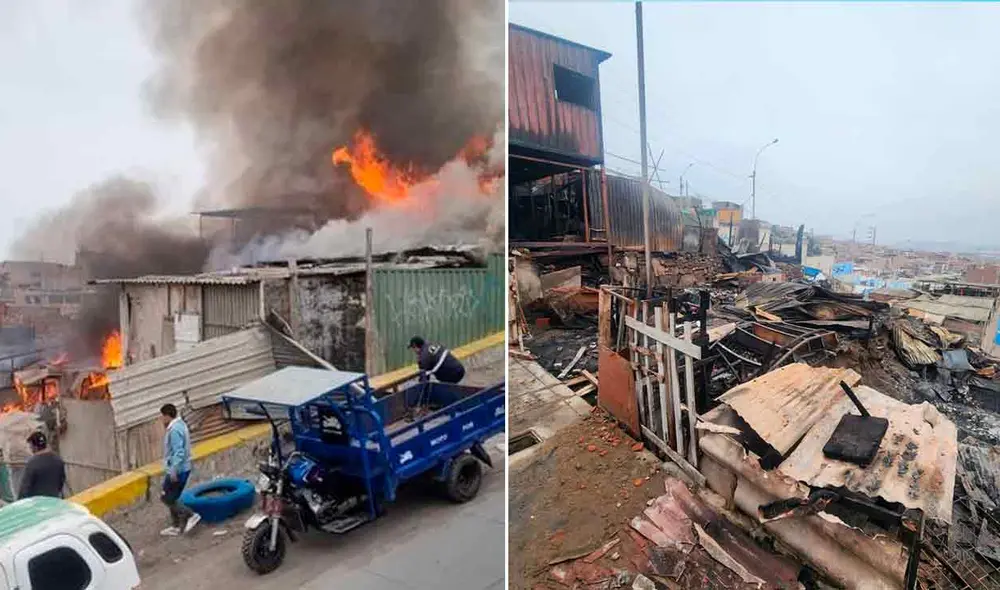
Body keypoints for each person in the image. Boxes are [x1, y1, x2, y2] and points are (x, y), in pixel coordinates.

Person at [159, 403, 200, 536]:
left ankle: (191, 515)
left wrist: (173, 470)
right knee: (173, 497)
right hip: (182, 468)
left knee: (166, 498)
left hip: (178, 470)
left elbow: (179, 452)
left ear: (167, 416)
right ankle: (176, 526)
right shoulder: (181, 425)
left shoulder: (174, 430)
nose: (161, 419)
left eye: (162, 416)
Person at [17, 431, 66, 499]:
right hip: (54, 500)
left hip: (38, 503)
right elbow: (61, 481)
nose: (30, 448)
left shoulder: (32, 463)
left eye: (30, 446)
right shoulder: (58, 460)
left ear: (35, 447)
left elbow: (24, 489)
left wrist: (20, 502)